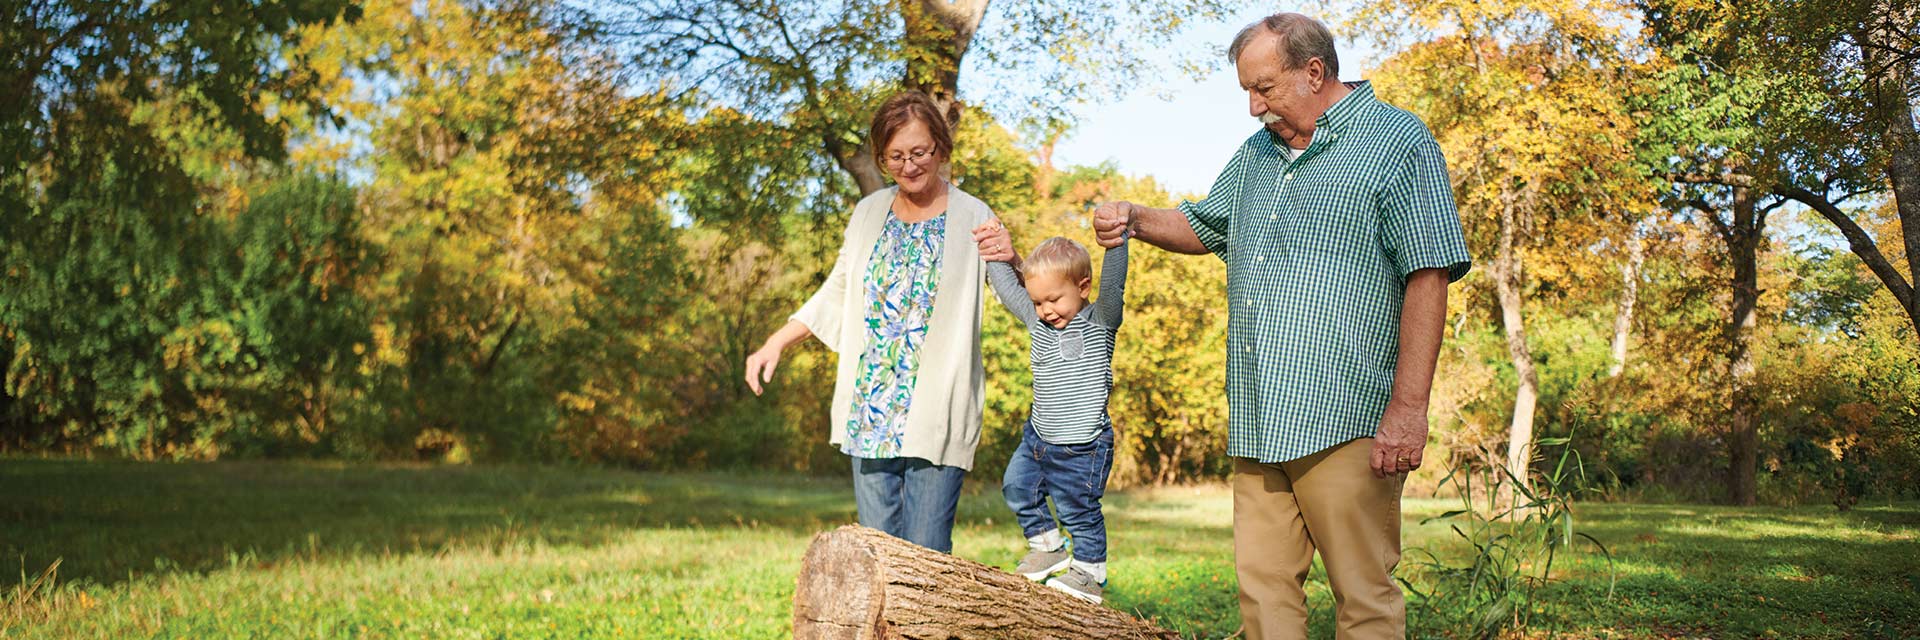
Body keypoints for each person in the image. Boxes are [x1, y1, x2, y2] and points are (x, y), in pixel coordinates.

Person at [1090, 13, 1471, 639]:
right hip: (1260, 415)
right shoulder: (1258, 154)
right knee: (1264, 600)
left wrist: (1409, 409)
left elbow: (1428, 275)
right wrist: (1135, 216)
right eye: (1246, 90)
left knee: (1364, 598)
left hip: (1347, 417)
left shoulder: (1399, 143)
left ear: (1313, 72)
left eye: (1263, 87)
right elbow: (1205, 225)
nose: (1252, 106)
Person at [743, 91, 1015, 553]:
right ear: (882, 157)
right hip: (870, 409)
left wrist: (1016, 260)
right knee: (879, 560)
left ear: (940, 150)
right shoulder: (869, 213)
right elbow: (838, 290)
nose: (909, 166)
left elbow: (1017, 294)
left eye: (919, 153)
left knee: (927, 559)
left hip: (936, 411)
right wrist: (777, 342)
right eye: (896, 157)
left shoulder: (974, 215)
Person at [973, 223, 1129, 604]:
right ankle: (1048, 547)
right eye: (1039, 302)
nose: (1045, 311)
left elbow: (1114, 284)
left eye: (1054, 300)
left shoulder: (1101, 321)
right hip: (1038, 438)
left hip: (1083, 446)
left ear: (1083, 287)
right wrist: (994, 253)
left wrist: (1117, 240)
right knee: (1016, 486)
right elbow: (1010, 291)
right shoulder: (1037, 322)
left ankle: (1090, 574)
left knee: (1079, 510)